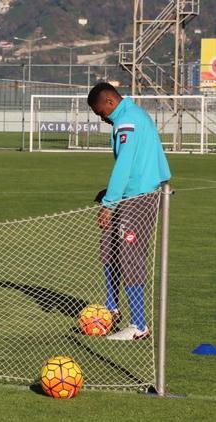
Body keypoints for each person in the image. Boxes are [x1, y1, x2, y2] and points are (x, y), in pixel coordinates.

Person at [87, 82, 171, 341]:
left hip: (138, 200)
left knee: (130, 256)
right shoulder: (132, 115)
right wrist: (112, 196)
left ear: (110, 102)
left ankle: (138, 325)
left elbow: (125, 164)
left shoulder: (128, 122)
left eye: (100, 112)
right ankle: (111, 310)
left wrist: (109, 203)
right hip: (129, 197)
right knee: (110, 249)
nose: (101, 118)